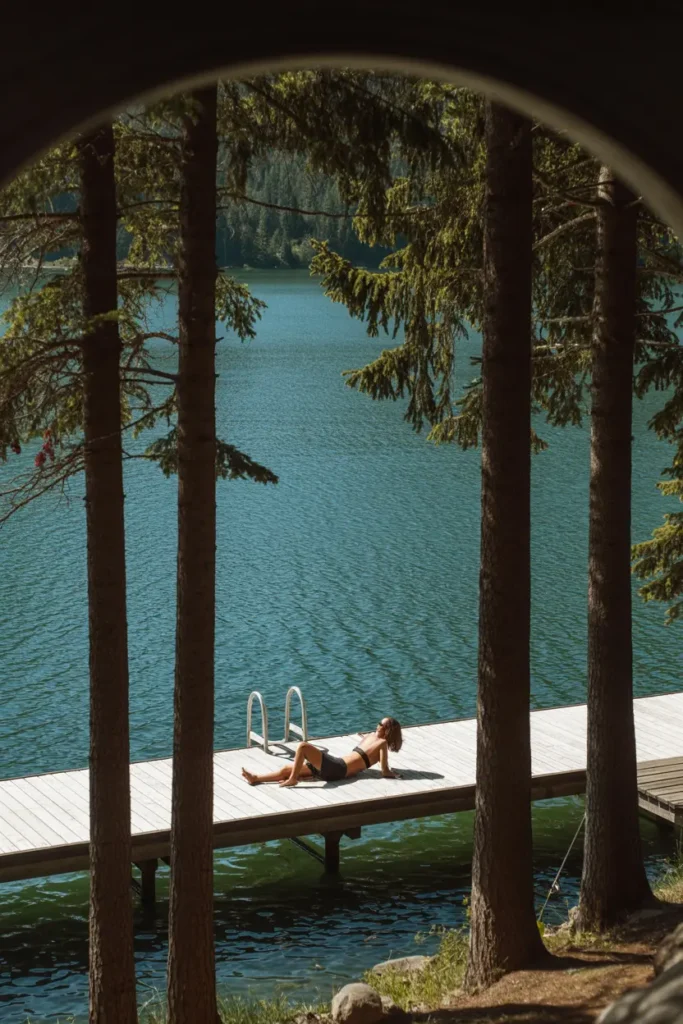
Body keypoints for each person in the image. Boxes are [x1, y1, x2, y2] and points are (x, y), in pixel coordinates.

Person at [241, 717, 403, 787]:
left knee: (303, 747)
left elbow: (384, 770)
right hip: (335, 766)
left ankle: (293, 779)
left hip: (338, 768)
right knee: (285, 769)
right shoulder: (371, 736)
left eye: (380, 724)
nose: (377, 725)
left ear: (387, 730)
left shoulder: (381, 743)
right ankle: (256, 778)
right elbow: (370, 755)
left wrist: (392, 773)